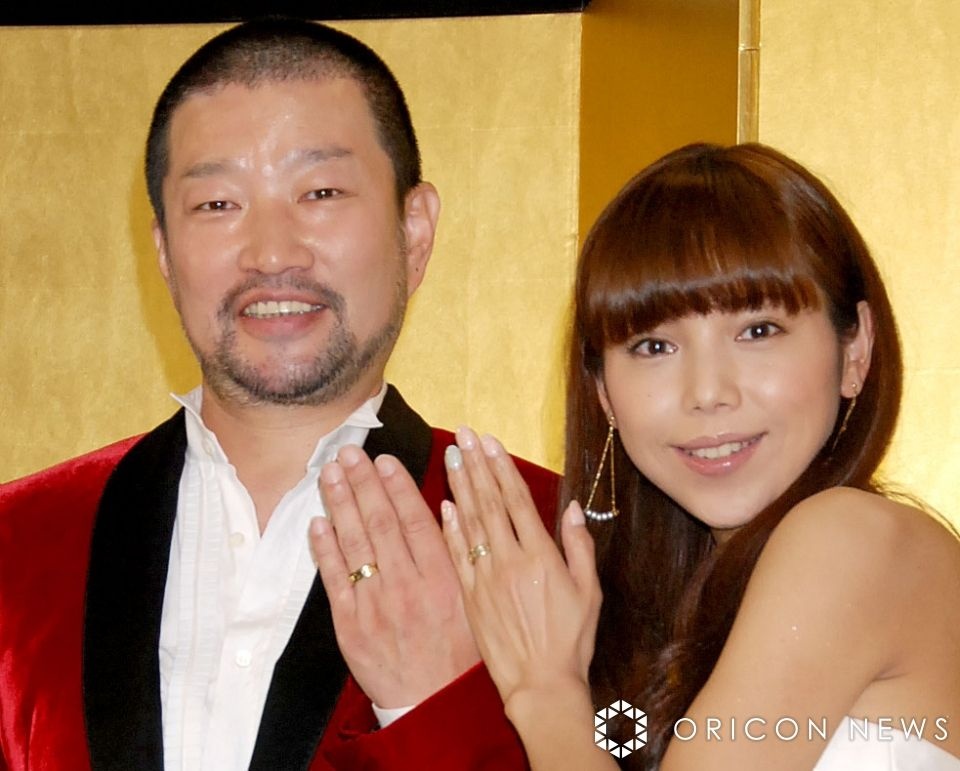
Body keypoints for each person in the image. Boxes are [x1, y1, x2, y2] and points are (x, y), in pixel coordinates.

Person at [0, 18, 558, 771]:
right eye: (217, 205)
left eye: (320, 192)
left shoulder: (561, 546)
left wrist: (434, 717)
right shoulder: (18, 548)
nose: (270, 253)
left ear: (415, 230)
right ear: (162, 250)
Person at [427, 143, 960, 769]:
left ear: (856, 349)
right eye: (654, 346)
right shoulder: (661, 625)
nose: (707, 393)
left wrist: (542, 693)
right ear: (603, 390)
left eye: (757, 331)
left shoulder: (853, 541)